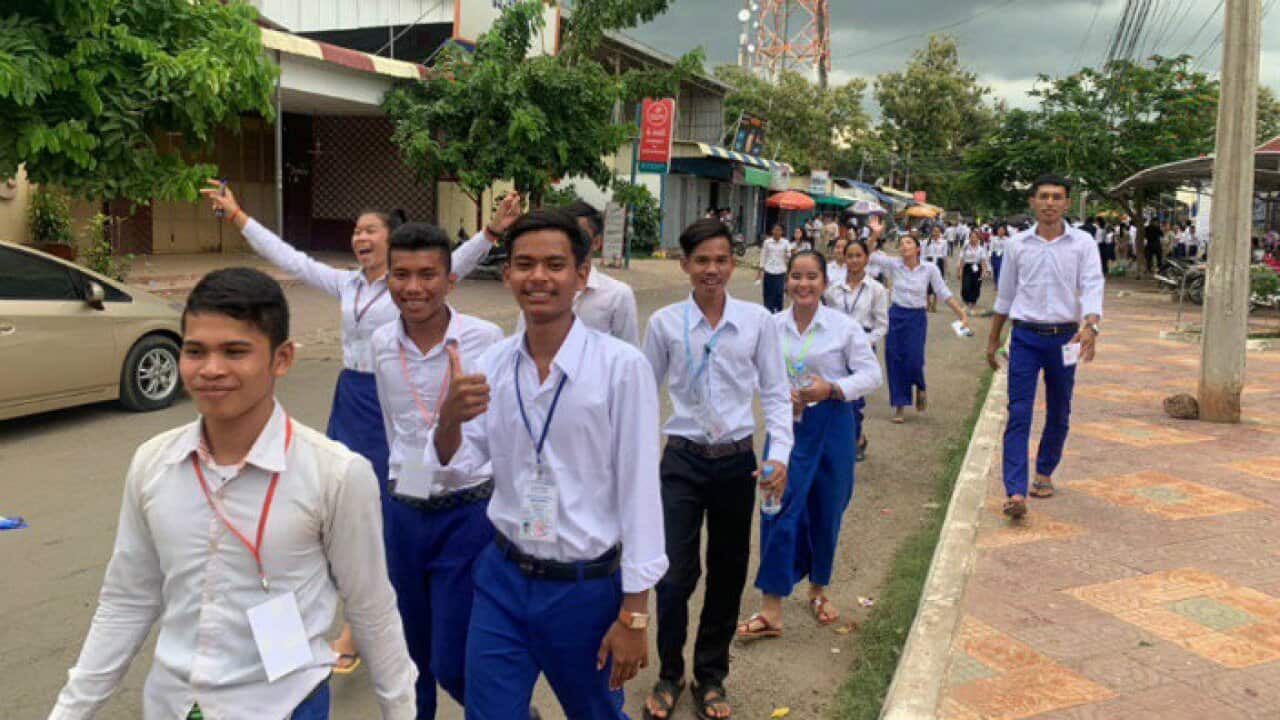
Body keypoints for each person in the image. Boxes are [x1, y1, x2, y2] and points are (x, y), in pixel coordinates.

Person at [49, 268, 416, 720]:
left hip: (285, 705)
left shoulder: (336, 474)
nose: (211, 369)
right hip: (174, 705)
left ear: (281, 359)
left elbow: (370, 607)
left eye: (235, 351)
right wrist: (69, 712)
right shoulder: (153, 463)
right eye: (195, 351)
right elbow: (128, 598)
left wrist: (400, 709)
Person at [202, 181, 521, 672]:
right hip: (359, 394)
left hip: (423, 415)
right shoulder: (347, 285)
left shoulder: (435, 299)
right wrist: (239, 215)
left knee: (395, 503)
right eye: (356, 230)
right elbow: (290, 258)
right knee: (354, 502)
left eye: (369, 229)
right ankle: (371, 604)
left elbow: (449, 265)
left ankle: (368, 622)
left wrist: (493, 232)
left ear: (390, 239)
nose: (360, 236)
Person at [426, 209, 667, 719]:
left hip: (584, 589)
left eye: (555, 264)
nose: (538, 277)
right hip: (502, 579)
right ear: (508, 273)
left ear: (582, 275)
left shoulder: (621, 369)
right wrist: (448, 417)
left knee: (595, 713)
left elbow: (641, 491)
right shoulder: (493, 362)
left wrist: (635, 613)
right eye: (524, 264)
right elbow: (454, 464)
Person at [641, 219, 793, 720]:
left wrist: (779, 455)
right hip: (681, 460)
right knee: (674, 576)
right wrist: (640, 464)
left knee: (727, 574)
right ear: (684, 264)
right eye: (702, 260)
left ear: (733, 264)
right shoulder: (664, 323)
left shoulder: (758, 322)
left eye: (721, 260)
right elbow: (645, 396)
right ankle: (669, 674)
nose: (712, 270)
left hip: (736, 463)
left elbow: (773, 391)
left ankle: (711, 677)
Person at [370, 223, 504, 718]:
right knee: (409, 659)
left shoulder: (484, 339)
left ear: (451, 279)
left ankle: (504, 711)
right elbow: (393, 428)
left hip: (466, 514)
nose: (413, 287)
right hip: (405, 510)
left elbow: (494, 430)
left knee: (453, 661)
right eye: (401, 274)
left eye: (428, 275)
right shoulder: (382, 342)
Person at [736, 250, 882, 639]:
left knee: (826, 508)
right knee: (774, 506)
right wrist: (781, 393)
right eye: (796, 277)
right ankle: (771, 606)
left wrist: (832, 389)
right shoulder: (771, 326)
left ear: (824, 282)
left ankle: (818, 589)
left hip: (832, 423)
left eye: (811, 277)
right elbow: (751, 372)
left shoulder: (843, 327)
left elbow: (871, 375)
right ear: (786, 281)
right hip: (786, 426)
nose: (803, 284)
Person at [986, 175, 1104, 519]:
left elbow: (1093, 286)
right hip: (1025, 338)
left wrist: (1091, 326)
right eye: (1044, 197)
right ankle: (1015, 491)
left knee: (1059, 410)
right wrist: (993, 341)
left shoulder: (1082, 244)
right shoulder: (1017, 245)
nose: (1050, 203)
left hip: (1065, 338)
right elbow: (1005, 296)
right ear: (1033, 202)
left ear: (1067, 203)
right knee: (1019, 412)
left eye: (1057, 197)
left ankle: (1045, 472)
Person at [866, 216, 973, 424]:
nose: (903, 246)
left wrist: (960, 313)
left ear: (918, 249)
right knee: (894, 360)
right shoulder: (894, 265)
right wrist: (875, 234)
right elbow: (869, 254)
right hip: (896, 316)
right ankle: (899, 405)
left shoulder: (929, 269)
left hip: (916, 318)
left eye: (908, 243)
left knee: (914, 360)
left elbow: (942, 291)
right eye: (901, 243)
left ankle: (920, 385)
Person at [515, 200, 640, 345]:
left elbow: (628, 351)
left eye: (579, 237)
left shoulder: (617, 295)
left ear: (596, 242)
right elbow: (521, 341)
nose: (570, 244)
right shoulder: (540, 288)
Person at [824, 239, 889, 461]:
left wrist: (866, 343)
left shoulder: (876, 289)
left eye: (858, 256)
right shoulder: (832, 289)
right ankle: (842, 439)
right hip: (835, 347)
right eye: (849, 255)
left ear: (866, 258)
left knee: (855, 398)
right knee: (835, 393)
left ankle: (856, 439)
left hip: (862, 346)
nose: (853, 260)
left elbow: (881, 325)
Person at [758, 225, 791, 313]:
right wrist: (761, 269)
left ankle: (778, 312)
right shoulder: (767, 242)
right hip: (769, 270)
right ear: (772, 231)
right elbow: (763, 255)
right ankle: (768, 312)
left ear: (782, 232)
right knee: (768, 293)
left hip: (781, 271)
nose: (777, 232)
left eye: (779, 230)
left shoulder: (786, 242)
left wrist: (788, 255)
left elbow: (789, 255)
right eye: (775, 230)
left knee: (779, 293)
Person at [958, 231, 990, 314]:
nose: (973, 239)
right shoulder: (965, 247)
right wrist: (960, 271)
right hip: (967, 267)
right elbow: (962, 260)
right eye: (972, 237)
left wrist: (983, 271)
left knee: (976, 286)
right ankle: (966, 300)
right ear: (969, 238)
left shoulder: (981, 249)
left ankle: (972, 302)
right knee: (966, 286)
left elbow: (983, 261)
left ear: (978, 239)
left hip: (977, 268)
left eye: (975, 237)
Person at [923, 226, 948, 313]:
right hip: (928, 262)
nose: (936, 233)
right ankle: (928, 303)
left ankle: (934, 304)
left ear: (940, 233)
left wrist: (945, 267)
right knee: (926, 283)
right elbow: (923, 255)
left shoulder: (944, 242)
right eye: (934, 231)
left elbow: (945, 256)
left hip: (939, 263)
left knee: (937, 283)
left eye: (938, 231)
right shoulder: (926, 242)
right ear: (931, 232)